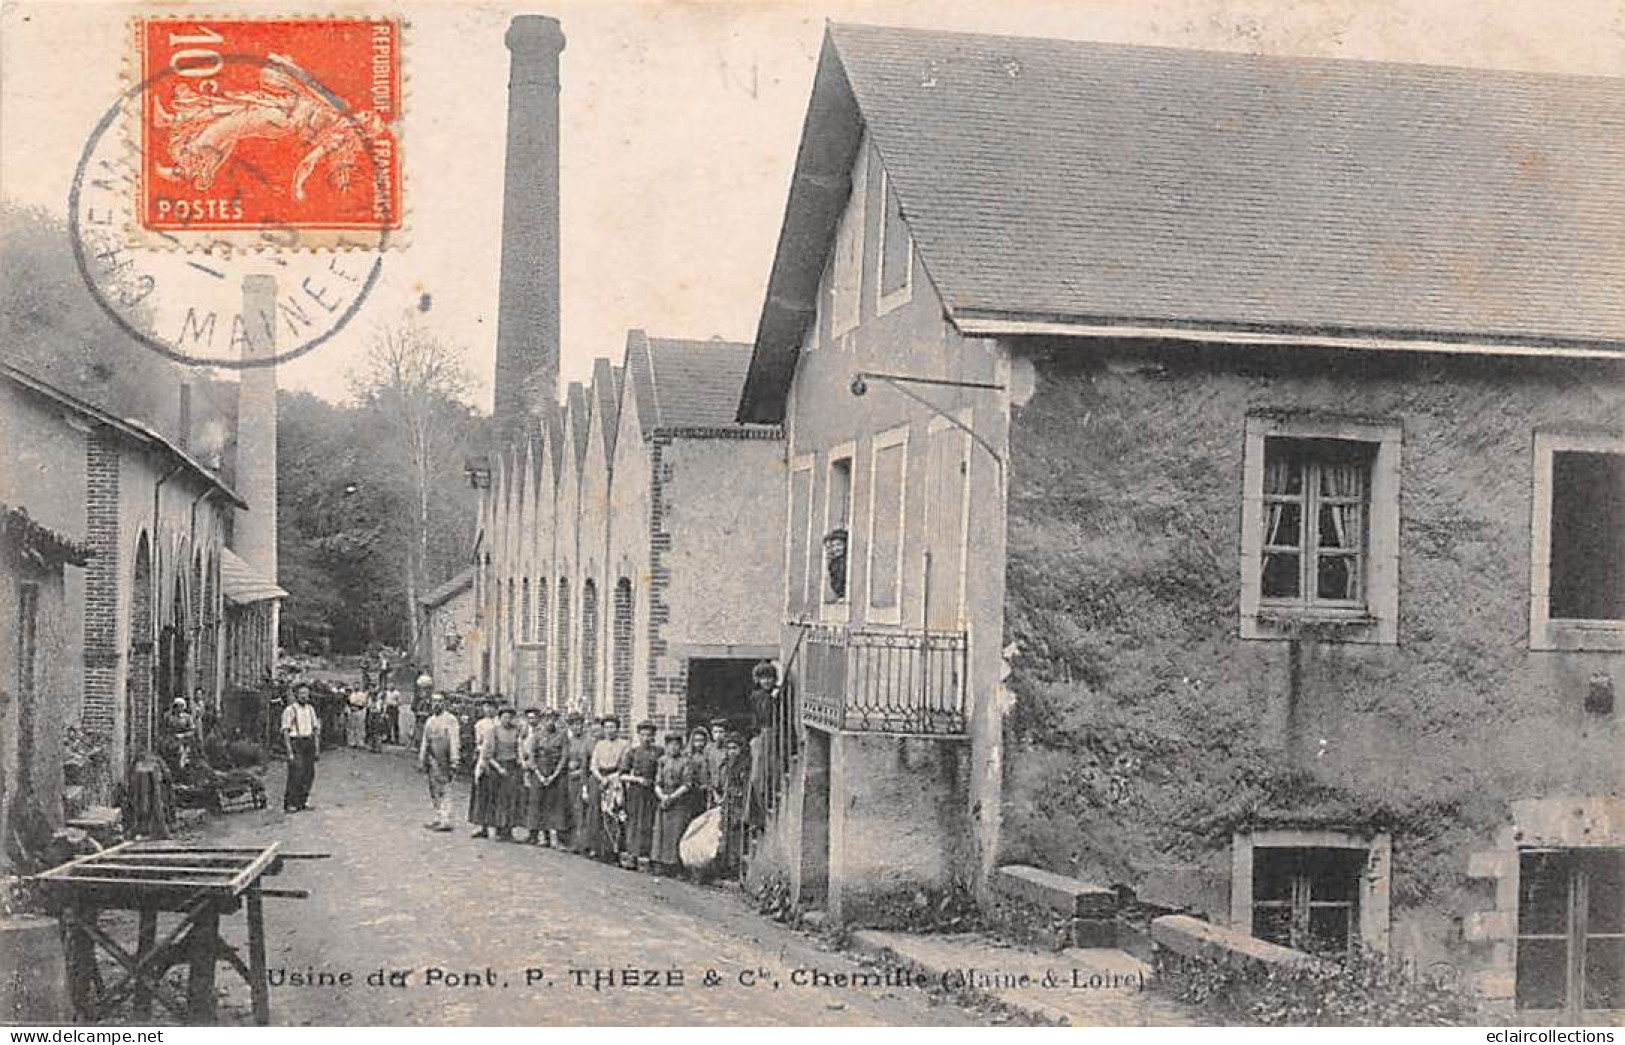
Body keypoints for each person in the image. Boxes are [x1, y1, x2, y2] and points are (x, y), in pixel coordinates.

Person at [521, 709, 569, 846]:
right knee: (536, 803)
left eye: (553, 719)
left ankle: (558, 838)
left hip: (556, 774)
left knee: (555, 805)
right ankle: (536, 835)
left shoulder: (562, 736)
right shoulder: (537, 736)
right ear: (542, 720)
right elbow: (532, 755)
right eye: (547, 719)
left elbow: (563, 757)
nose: (550, 722)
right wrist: (539, 774)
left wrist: (554, 775)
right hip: (539, 772)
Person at [652, 732, 697, 872]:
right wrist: (662, 796)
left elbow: (687, 784)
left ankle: (675, 866)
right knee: (662, 832)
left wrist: (672, 797)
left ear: (681, 746)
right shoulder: (662, 760)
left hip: (679, 800)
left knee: (677, 832)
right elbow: (657, 782)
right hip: (664, 797)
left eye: (676, 745)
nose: (673, 748)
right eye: (670, 745)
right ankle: (661, 863)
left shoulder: (686, 761)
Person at [478, 707, 525, 842]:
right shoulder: (493, 731)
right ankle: (498, 828)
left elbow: (519, 749)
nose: (507, 720)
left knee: (511, 799)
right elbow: (487, 754)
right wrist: (499, 768)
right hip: (497, 768)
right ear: (500, 718)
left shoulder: (516, 731)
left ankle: (508, 830)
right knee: (498, 799)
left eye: (510, 717)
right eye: (505, 717)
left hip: (512, 768)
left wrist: (521, 762)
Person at [586, 716, 630, 861]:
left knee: (613, 814)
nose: (610, 730)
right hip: (599, 779)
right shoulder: (600, 745)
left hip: (615, 780)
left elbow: (624, 766)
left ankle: (613, 850)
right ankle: (596, 848)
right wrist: (601, 778)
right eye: (607, 727)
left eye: (613, 727)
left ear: (618, 729)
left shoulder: (624, 745)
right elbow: (593, 765)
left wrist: (610, 779)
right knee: (596, 813)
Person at [619, 721, 661, 869]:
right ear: (638, 735)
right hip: (636, 793)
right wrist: (636, 779)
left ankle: (648, 857)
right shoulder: (632, 753)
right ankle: (632, 856)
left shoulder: (659, 752)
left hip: (652, 792)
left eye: (649, 735)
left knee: (650, 824)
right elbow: (622, 775)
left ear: (653, 736)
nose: (646, 738)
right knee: (634, 824)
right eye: (642, 735)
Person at [418, 693, 461, 831]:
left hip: (445, 758)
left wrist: (454, 760)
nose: (437, 704)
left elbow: (454, 740)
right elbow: (425, 740)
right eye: (434, 701)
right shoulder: (430, 720)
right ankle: (438, 816)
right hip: (432, 759)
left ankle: (446, 820)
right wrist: (422, 758)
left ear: (445, 704)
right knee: (434, 789)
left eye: (440, 701)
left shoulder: (450, 720)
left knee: (445, 789)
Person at [281, 683, 321, 812]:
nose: (305, 696)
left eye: (306, 693)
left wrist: (317, 747)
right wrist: (289, 752)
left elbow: (315, 729)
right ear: (296, 695)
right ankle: (290, 803)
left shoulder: (310, 709)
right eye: (302, 693)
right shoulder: (290, 710)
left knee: (309, 773)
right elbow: (286, 732)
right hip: (295, 742)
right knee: (296, 773)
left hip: (308, 742)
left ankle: (302, 801)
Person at [716, 731, 752, 877]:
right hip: (728, 804)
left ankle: (736, 868)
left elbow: (746, 785)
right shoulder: (725, 765)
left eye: (735, 748)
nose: (732, 752)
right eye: (729, 748)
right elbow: (721, 783)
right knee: (726, 834)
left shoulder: (745, 765)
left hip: (739, 804)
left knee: (737, 835)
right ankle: (725, 866)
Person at [467, 699, 499, 838]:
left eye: (491, 707)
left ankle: (499, 827)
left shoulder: (500, 723)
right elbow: (478, 743)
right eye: (486, 707)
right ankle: (482, 826)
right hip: (483, 760)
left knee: (498, 794)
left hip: (499, 760)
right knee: (482, 793)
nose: (488, 710)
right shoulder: (480, 724)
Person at [563, 712, 589, 852]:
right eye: (573, 724)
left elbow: (588, 764)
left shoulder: (588, 741)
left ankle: (581, 843)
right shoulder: (569, 740)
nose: (576, 727)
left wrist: (578, 772)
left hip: (581, 779)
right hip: (568, 779)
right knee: (570, 809)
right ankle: (570, 841)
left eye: (578, 724)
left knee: (580, 811)